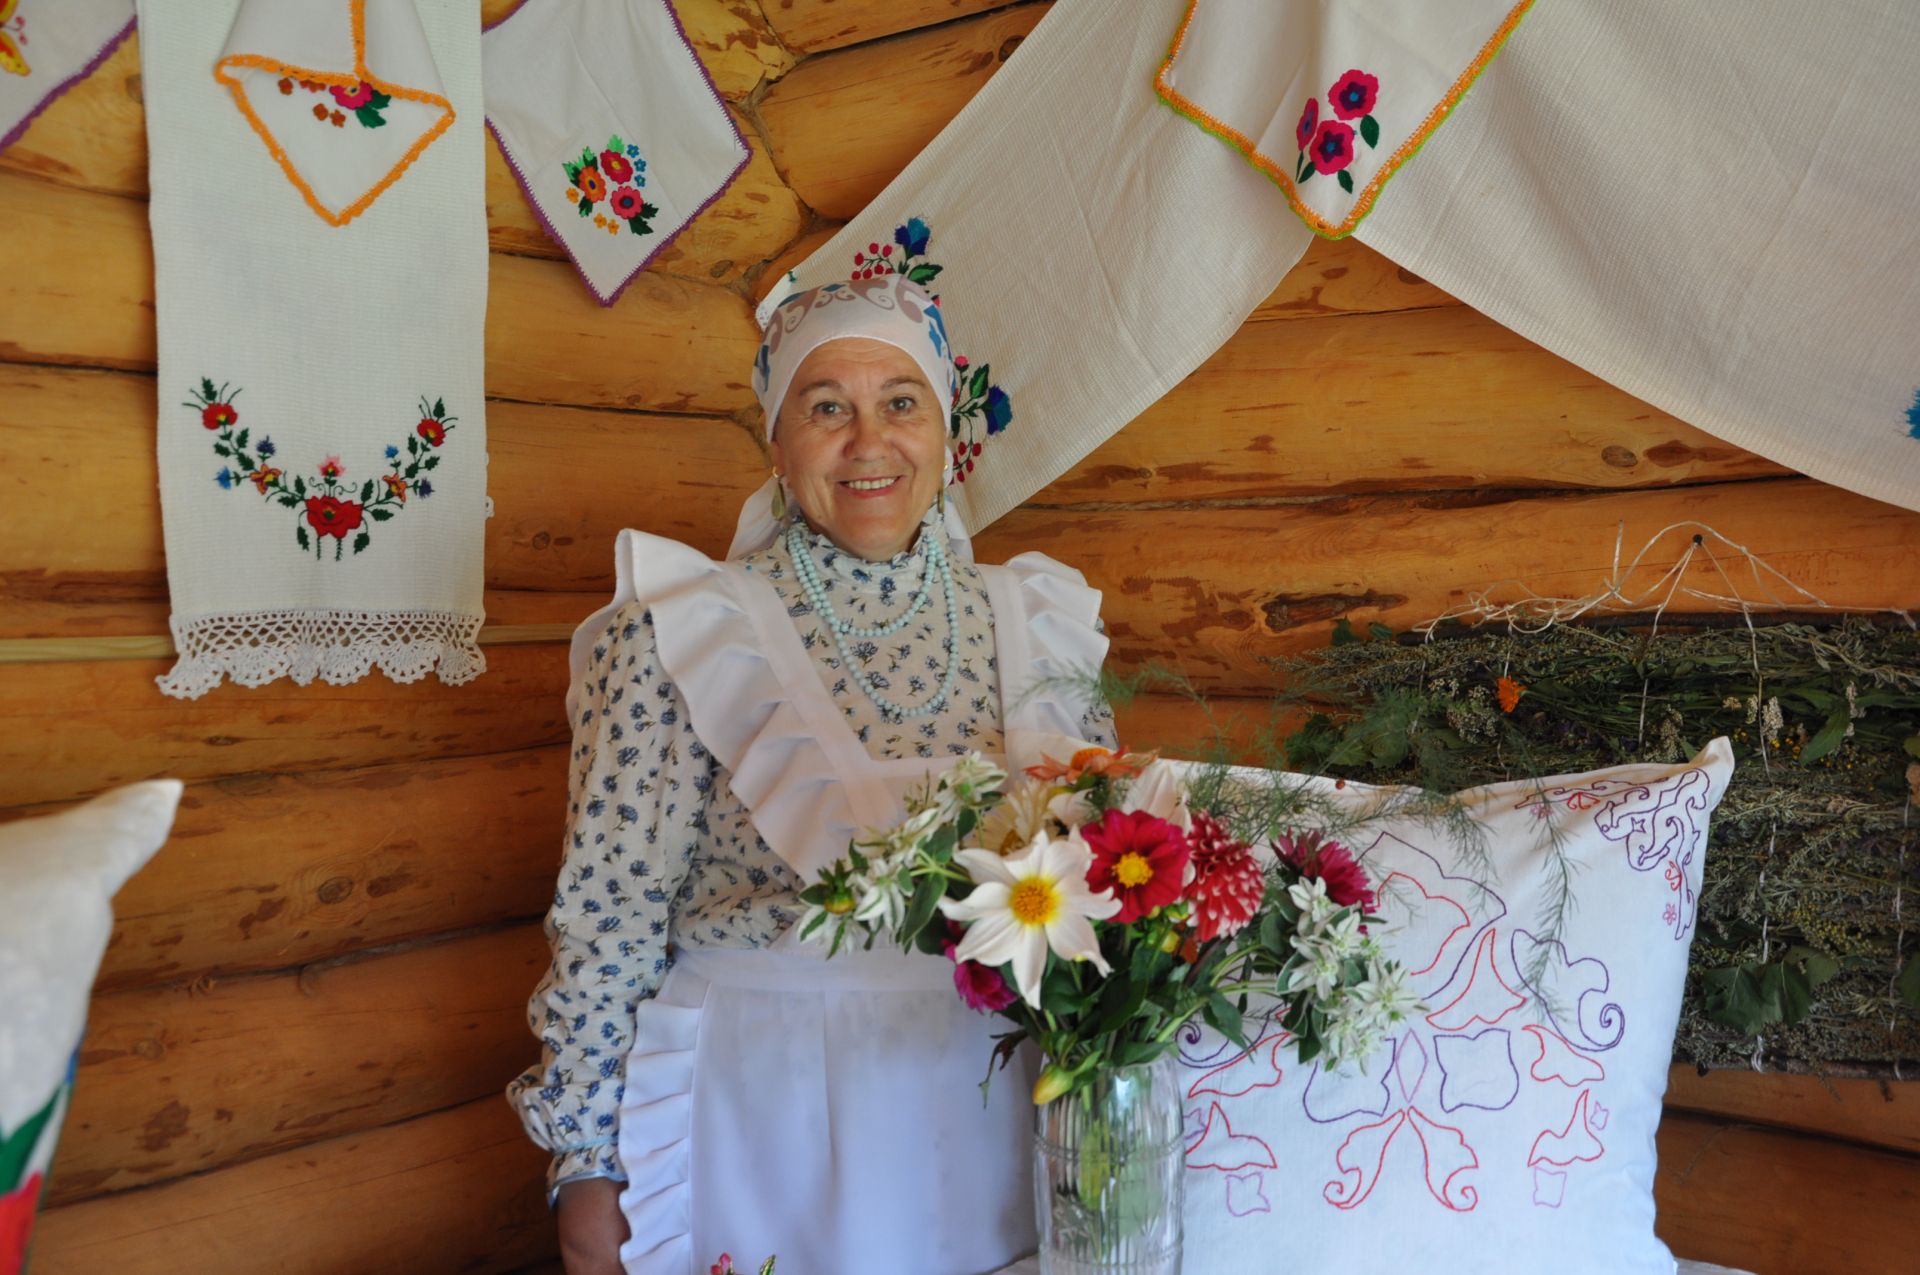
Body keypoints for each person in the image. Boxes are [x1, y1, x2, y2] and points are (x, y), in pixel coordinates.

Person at [507, 273, 1117, 1275]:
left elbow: (1105, 893)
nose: (868, 442)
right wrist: (587, 1175)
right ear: (777, 445)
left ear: (948, 436)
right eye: (826, 407)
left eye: (901, 403)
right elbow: (608, 916)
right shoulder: (677, 630)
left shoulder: (1039, 619)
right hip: (766, 1117)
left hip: (995, 1110)